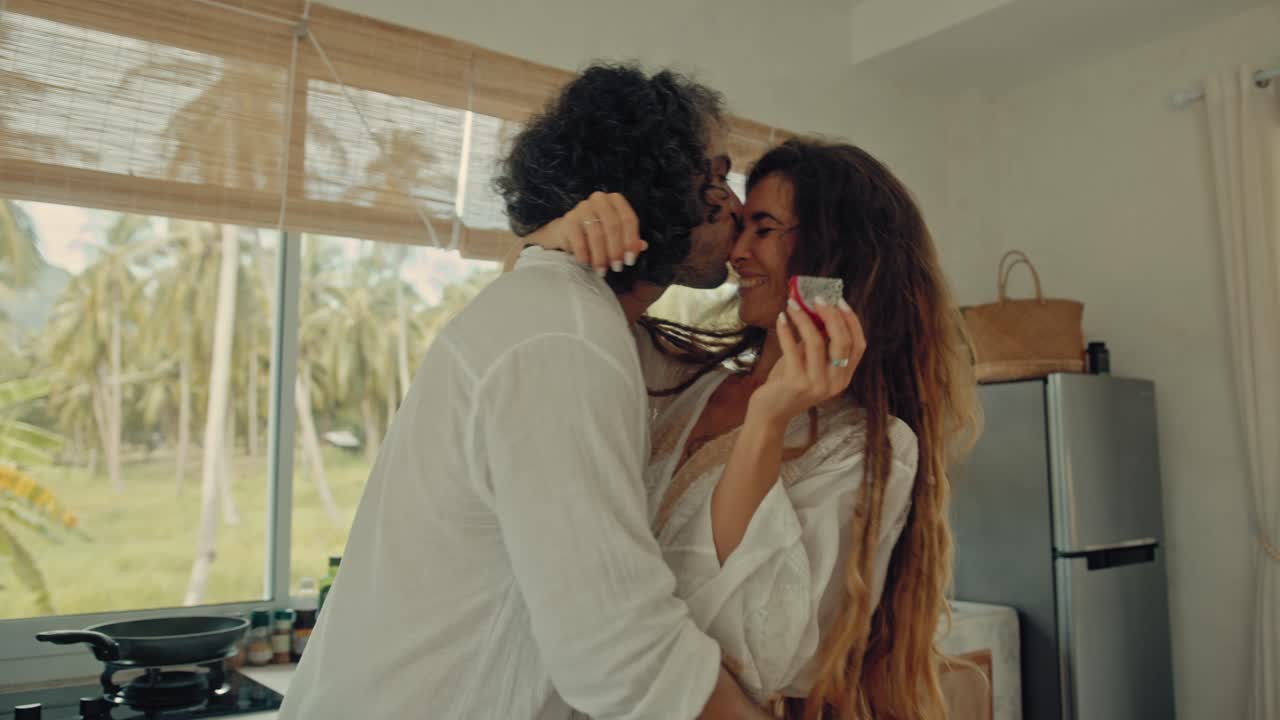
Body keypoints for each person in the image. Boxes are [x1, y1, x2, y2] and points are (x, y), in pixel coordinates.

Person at [278, 65, 773, 720]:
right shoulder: (565, 340)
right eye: (713, 178)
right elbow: (622, 653)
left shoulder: (572, 322)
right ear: (651, 183)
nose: (733, 208)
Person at [528, 138, 978, 719]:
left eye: (762, 229)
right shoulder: (682, 381)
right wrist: (549, 241)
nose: (736, 253)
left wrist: (767, 422)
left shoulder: (872, 447)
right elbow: (556, 333)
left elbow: (755, 645)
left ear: (831, 255)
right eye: (739, 226)